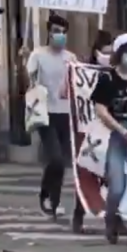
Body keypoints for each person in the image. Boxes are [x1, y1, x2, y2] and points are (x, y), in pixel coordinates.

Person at [92, 33, 127, 247]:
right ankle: (111, 218)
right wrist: (122, 131)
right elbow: (101, 110)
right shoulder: (107, 79)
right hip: (116, 135)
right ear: (119, 53)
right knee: (116, 186)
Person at [27, 13, 77, 219]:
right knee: (55, 158)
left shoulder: (70, 58)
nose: (60, 35)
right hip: (45, 114)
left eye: (64, 32)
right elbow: (29, 79)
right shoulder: (37, 55)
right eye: (56, 31)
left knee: (62, 161)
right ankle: (45, 193)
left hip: (66, 113)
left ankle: (54, 203)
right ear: (49, 32)